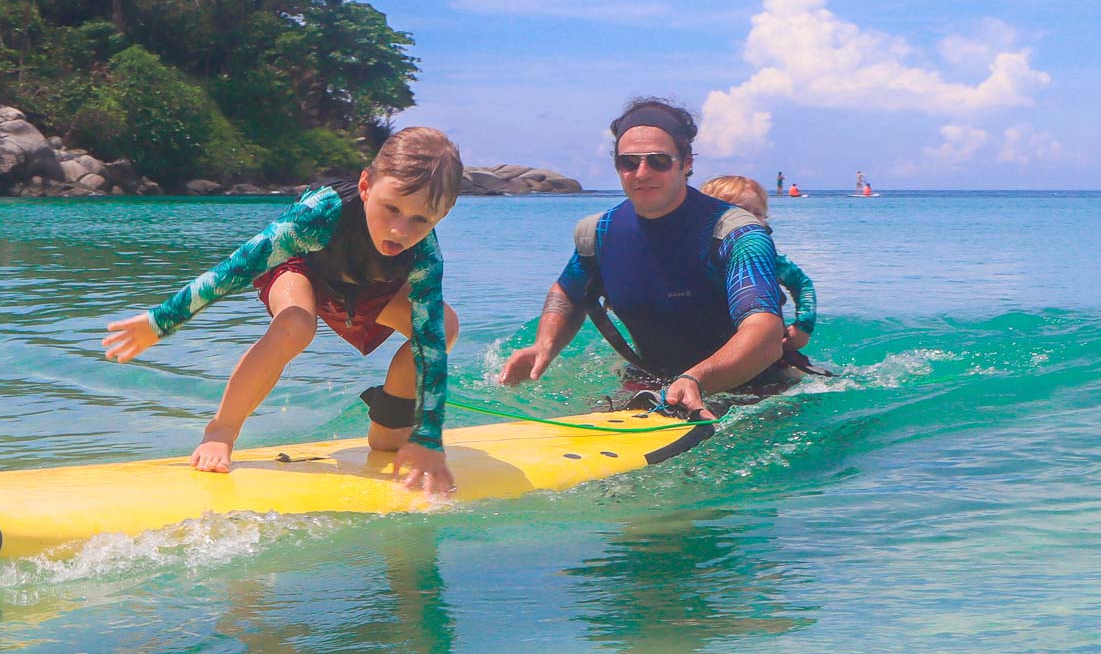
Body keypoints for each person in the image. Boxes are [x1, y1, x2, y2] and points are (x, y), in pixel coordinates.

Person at [104, 126, 464, 493]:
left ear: (444, 213)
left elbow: (431, 343)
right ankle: (222, 429)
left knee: (444, 326)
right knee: (296, 323)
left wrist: (429, 437)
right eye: (390, 208)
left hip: (368, 285)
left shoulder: (424, 257)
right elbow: (235, 268)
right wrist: (160, 321)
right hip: (301, 267)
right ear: (366, 185)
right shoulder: (320, 215)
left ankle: (389, 427)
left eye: (421, 220)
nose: (401, 230)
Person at [498, 98, 785, 417]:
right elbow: (567, 292)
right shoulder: (599, 233)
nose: (641, 173)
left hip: (751, 393)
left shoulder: (734, 234)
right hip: (649, 384)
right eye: (628, 162)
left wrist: (696, 379)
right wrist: (545, 346)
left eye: (659, 161)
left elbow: (766, 334)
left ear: (686, 162)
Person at [699, 175, 815, 357]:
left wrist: (803, 327)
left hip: (762, 347)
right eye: (739, 212)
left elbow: (803, 284)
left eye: (758, 213)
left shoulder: (766, 257)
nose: (750, 220)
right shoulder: (697, 254)